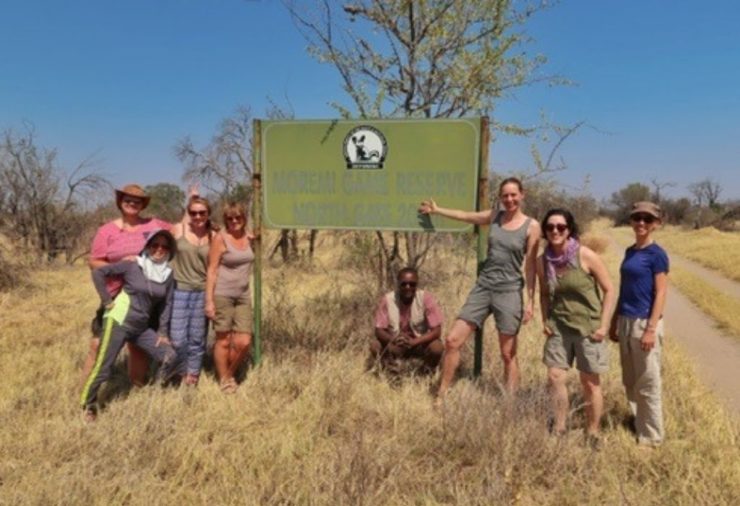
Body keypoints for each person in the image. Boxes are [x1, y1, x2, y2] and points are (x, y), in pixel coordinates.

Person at [419, 177, 541, 398]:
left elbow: (531, 267)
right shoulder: (494, 216)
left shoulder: (532, 226)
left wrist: (531, 302)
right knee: (452, 340)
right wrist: (437, 210)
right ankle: (442, 394)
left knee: (507, 353)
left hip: (510, 291)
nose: (509, 199)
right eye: (505, 195)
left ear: (522, 195)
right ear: (500, 198)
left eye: (514, 194)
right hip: (484, 287)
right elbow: (466, 216)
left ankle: (509, 403)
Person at [81, 229, 181, 419]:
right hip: (118, 320)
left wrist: (162, 332)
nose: (159, 249)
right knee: (104, 367)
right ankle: (89, 404)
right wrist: (106, 301)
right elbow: (98, 274)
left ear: (170, 250)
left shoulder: (168, 275)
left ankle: (154, 391)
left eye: (165, 246)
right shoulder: (133, 265)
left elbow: (166, 305)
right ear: (147, 246)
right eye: (155, 245)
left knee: (169, 356)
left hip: (141, 328)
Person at [537, 209, 616, 447]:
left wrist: (603, 325)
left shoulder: (585, 255)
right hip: (559, 326)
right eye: (550, 227)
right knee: (555, 376)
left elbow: (609, 290)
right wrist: (546, 320)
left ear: (569, 230)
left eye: (561, 227)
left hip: (588, 328)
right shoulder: (543, 261)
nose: (555, 231)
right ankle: (560, 427)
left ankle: (592, 432)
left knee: (590, 382)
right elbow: (543, 293)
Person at [84, 184, 171, 387]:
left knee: (138, 346)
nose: (132, 204)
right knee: (97, 344)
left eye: (137, 201)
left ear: (143, 205)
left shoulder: (154, 225)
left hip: (145, 296)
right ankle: (86, 392)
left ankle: (137, 387)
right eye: (127, 200)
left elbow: (180, 230)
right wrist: (122, 266)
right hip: (116, 297)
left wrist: (215, 227)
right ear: (120, 202)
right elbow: (94, 261)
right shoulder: (107, 231)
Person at [610, 202, 669, 447]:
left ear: (656, 223)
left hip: (645, 322)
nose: (641, 223)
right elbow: (625, 289)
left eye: (647, 219)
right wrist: (614, 320)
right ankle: (638, 420)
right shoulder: (630, 251)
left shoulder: (657, 254)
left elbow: (662, 292)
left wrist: (651, 329)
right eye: (637, 218)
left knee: (648, 381)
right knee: (631, 379)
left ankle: (651, 436)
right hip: (625, 320)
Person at [205, 202, 255, 393]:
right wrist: (209, 301)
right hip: (222, 294)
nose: (234, 221)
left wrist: (254, 236)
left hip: (243, 295)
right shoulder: (221, 239)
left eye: (238, 217)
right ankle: (225, 378)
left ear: (244, 218)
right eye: (230, 218)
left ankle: (227, 372)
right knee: (223, 339)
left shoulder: (249, 237)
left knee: (244, 341)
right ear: (226, 220)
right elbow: (212, 270)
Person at [170, 195, 215, 386]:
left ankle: (193, 375)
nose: (197, 216)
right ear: (187, 214)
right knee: (178, 338)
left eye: (202, 212)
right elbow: (159, 247)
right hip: (179, 290)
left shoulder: (214, 234)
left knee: (197, 338)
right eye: (193, 212)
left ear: (208, 214)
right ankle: (179, 371)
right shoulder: (178, 230)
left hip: (202, 291)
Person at [370, 267, 444, 374]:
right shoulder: (387, 299)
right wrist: (393, 340)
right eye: (403, 284)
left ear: (417, 284)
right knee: (375, 346)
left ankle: (425, 373)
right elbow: (378, 330)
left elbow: (437, 331)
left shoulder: (425, 298)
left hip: (418, 342)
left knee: (437, 347)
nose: (408, 287)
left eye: (412, 284)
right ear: (398, 284)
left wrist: (414, 342)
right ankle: (391, 372)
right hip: (396, 343)